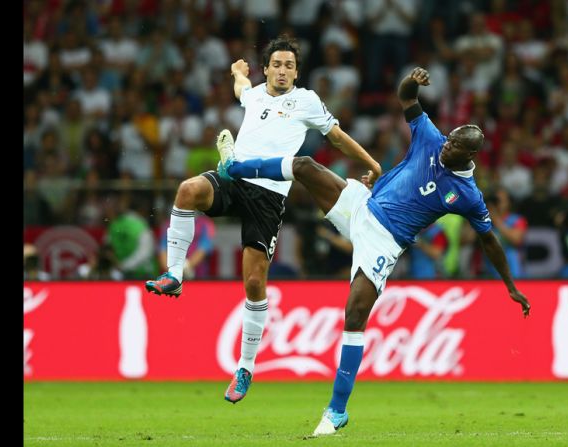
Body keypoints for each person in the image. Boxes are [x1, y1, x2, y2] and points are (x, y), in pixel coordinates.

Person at [214, 67, 531, 436]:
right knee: (304, 166)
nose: (447, 144)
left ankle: (336, 411)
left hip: (384, 241)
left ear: (470, 154)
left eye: (456, 144)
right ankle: (235, 167)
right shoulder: (430, 136)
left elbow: (489, 240)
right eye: (449, 138)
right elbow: (406, 98)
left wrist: (509, 284)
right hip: (361, 206)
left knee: (355, 314)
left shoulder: (468, 195)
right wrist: (413, 81)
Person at [144, 35, 381, 404]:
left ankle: (245, 366)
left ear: (296, 72)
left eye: (289, 65)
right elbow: (241, 87)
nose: (282, 71)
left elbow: (336, 137)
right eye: (277, 64)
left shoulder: (306, 101)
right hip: (233, 178)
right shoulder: (253, 94)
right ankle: (175, 274)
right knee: (188, 190)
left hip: (268, 196)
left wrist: (371, 163)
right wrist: (238, 72)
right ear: (266, 69)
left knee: (254, 283)